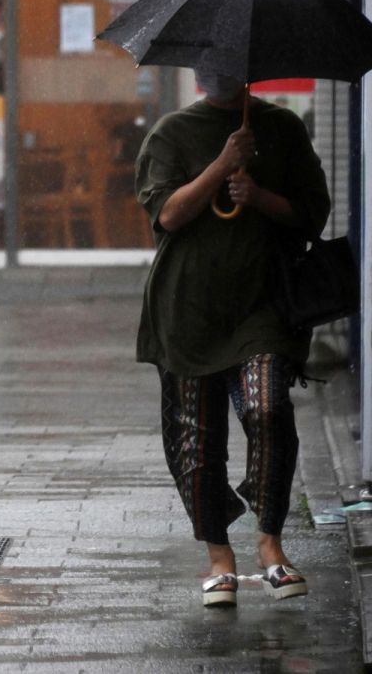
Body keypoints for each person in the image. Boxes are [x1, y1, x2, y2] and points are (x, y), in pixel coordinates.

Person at [134, 68, 330, 607]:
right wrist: (221, 164)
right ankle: (219, 556)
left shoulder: (281, 128)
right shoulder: (171, 133)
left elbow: (313, 212)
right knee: (196, 441)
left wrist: (259, 194)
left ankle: (271, 543)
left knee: (268, 410)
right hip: (186, 309)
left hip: (262, 304)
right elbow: (168, 214)